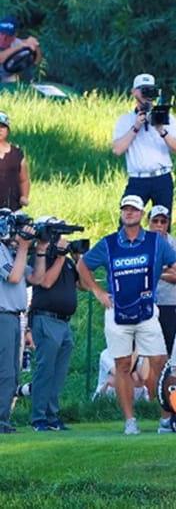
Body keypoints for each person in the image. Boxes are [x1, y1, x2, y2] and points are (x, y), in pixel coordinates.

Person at [78, 195, 176, 434]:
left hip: (147, 311)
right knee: (122, 365)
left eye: (134, 209)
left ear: (141, 214)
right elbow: (83, 265)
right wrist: (98, 291)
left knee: (160, 362)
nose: (129, 212)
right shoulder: (109, 243)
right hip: (117, 311)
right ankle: (130, 421)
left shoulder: (155, 242)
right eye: (125, 209)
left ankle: (165, 418)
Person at [111, 73, 176, 212]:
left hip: (161, 177)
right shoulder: (125, 120)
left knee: (162, 219)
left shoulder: (167, 118)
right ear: (134, 92)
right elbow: (117, 150)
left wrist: (160, 128)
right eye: (143, 89)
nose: (147, 94)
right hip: (137, 179)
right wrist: (136, 127)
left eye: (150, 90)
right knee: (128, 217)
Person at [0, 218, 32, 433]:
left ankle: (4, 420)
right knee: (4, 370)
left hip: (13, 316)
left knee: (11, 372)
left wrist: (41, 249)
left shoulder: (11, 251)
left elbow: (35, 278)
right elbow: (13, 276)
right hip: (3, 315)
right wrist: (23, 247)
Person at [149, 206, 176, 356]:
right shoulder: (140, 244)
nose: (159, 225)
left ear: (168, 223)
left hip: (172, 303)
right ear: (149, 222)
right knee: (148, 349)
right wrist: (167, 269)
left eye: (163, 221)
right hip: (146, 303)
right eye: (155, 221)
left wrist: (153, 271)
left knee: (173, 347)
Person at [0, 113, 30, 210]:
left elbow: (24, 180)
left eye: (2, 127)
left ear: (8, 130)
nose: (0, 130)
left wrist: (24, 196)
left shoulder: (17, 154)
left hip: (13, 208)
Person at [0, 16, 42, 82]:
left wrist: (36, 46)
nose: (3, 39)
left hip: (10, 79)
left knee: (19, 76)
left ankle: (32, 83)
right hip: (3, 80)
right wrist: (18, 47)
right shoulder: (19, 45)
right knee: (14, 79)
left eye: (8, 35)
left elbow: (36, 61)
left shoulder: (18, 42)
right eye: (2, 34)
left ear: (15, 35)